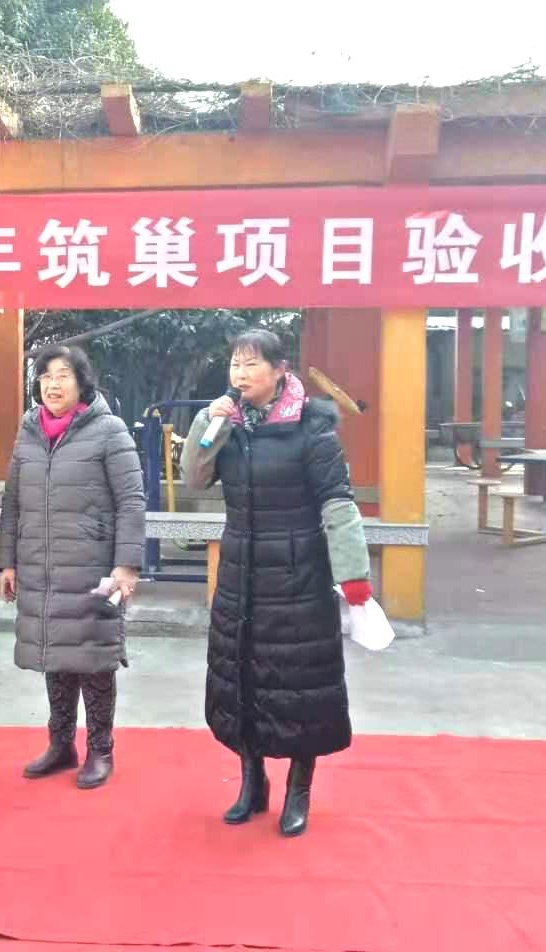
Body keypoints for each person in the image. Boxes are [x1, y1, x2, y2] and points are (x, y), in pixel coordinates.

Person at [181, 329, 372, 836]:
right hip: (240, 573)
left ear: (279, 370)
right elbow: (194, 480)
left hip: (297, 576)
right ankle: (252, 780)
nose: (240, 375)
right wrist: (207, 423)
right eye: (234, 365)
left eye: (251, 365)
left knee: (299, 685)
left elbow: (338, 503)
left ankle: (299, 788)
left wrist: (353, 576)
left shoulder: (312, 427)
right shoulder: (227, 422)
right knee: (241, 678)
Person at [0, 345, 144, 789]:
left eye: (62, 375)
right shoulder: (29, 432)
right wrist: (7, 562)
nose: (52, 384)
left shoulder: (109, 430)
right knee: (55, 654)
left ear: (82, 383)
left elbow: (131, 501)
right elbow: (12, 502)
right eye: (45, 376)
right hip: (41, 566)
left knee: (94, 657)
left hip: (93, 567)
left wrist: (127, 565)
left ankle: (101, 748)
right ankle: (61, 744)